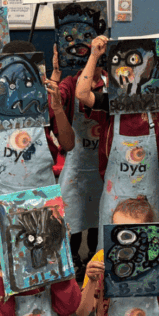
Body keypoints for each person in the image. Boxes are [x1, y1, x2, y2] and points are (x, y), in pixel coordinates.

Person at [76, 32, 159, 232]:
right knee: (111, 247)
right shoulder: (110, 103)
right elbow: (81, 93)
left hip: (149, 193)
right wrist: (94, 56)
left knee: (150, 249)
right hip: (115, 194)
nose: (133, 75)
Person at [0, 40, 75, 197]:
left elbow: (69, 144)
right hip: (3, 192)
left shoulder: (44, 102)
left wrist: (58, 108)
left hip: (42, 191)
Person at [55, 30, 107, 277]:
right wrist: (54, 85)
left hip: (103, 165)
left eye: (97, 55)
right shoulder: (70, 82)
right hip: (76, 167)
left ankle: (93, 257)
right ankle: (73, 257)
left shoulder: (112, 81)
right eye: (88, 55)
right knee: (73, 221)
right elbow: (61, 97)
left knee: (99, 218)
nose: (93, 63)